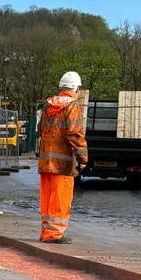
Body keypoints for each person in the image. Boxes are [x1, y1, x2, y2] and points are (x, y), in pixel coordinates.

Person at [37, 71, 88, 244]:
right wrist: (83, 158)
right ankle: (54, 234)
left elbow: (40, 129)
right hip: (63, 164)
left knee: (47, 199)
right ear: (76, 89)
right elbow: (74, 134)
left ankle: (46, 232)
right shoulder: (72, 106)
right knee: (60, 199)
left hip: (46, 162)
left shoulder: (48, 106)